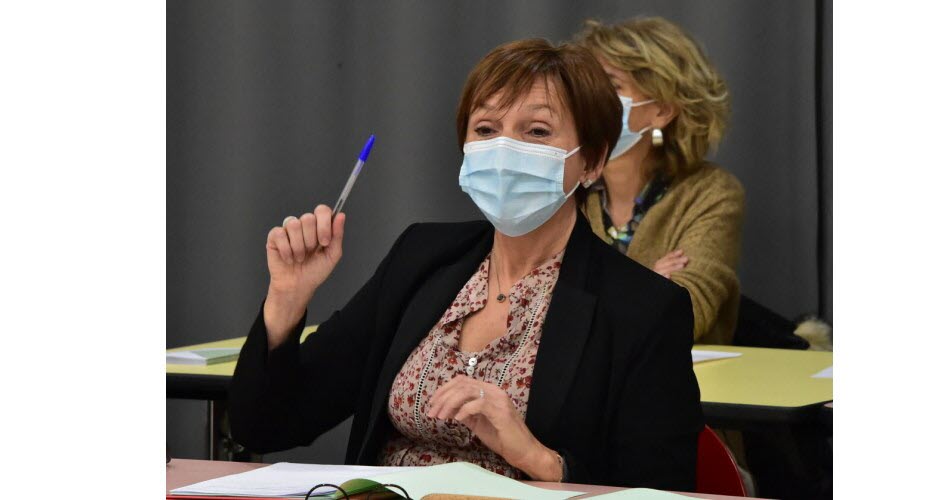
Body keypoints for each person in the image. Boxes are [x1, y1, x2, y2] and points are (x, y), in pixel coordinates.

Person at [228, 39, 703, 491]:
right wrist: (286, 301)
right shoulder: (422, 256)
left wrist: (539, 458)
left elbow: (663, 488)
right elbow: (267, 424)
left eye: (536, 132)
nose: (503, 150)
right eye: (485, 130)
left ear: (592, 162)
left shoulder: (643, 307)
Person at [577, 18, 744, 345]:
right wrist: (646, 284)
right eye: (585, 85)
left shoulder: (711, 193)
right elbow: (536, 313)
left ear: (662, 111)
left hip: (683, 389)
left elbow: (685, 315)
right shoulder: (564, 187)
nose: (587, 99)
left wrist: (595, 298)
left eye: (610, 86)